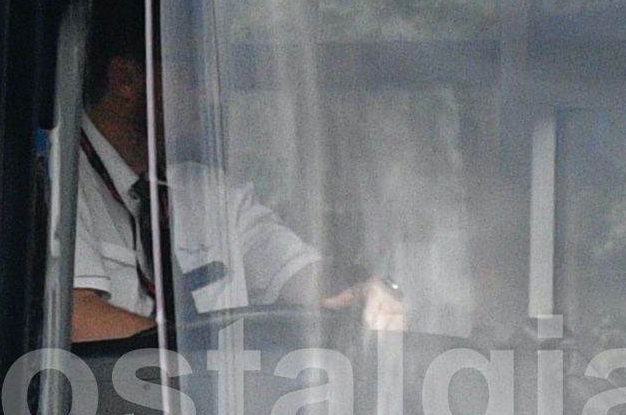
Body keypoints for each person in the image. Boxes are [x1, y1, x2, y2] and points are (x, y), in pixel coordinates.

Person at [66, 41, 403, 343]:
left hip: (224, 407)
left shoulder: (211, 192)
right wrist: (203, 358)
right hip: (110, 402)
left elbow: (296, 271)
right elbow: (76, 320)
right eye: (193, 78)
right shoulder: (57, 181)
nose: (210, 96)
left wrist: (362, 290)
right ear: (125, 79)